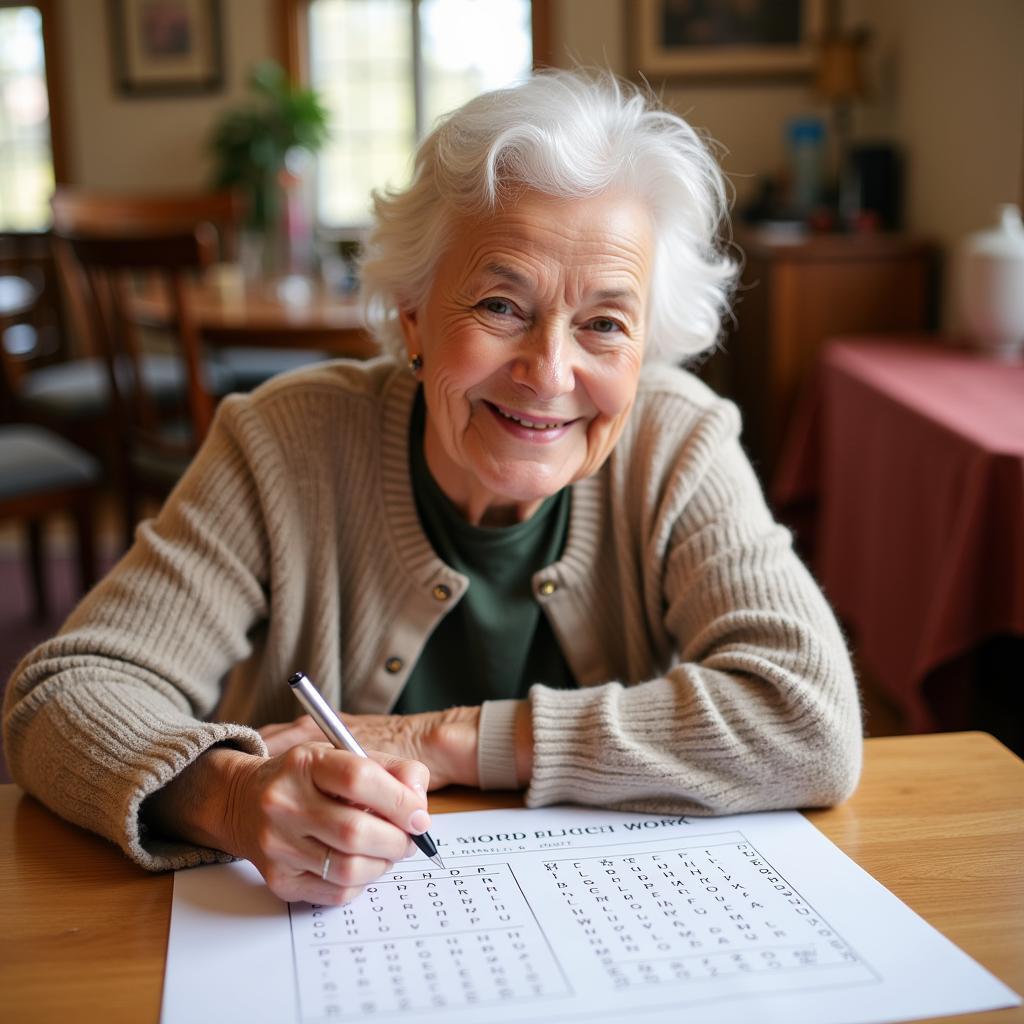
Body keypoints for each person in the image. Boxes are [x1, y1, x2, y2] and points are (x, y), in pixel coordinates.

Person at [2, 70, 861, 906]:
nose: (549, 372)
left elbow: (808, 721)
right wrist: (227, 799)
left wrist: (445, 740)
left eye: (605, 323)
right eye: (500, 305)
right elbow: (61, 696)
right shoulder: (283, 443)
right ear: (413, 314)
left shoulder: (678, 440)